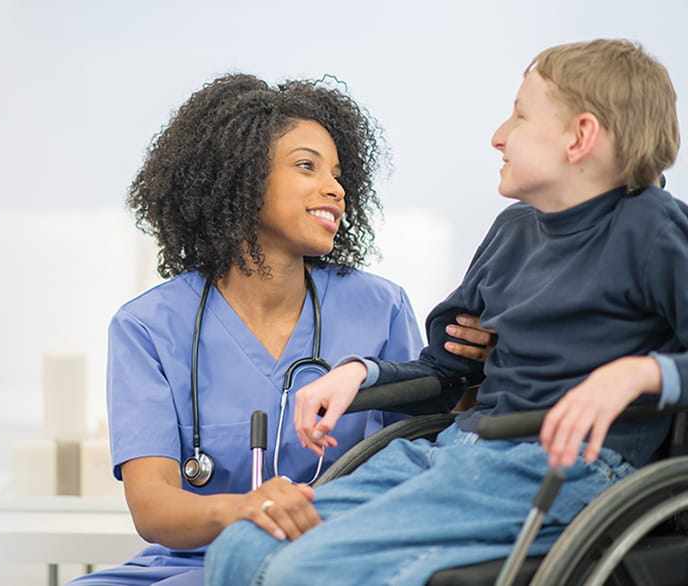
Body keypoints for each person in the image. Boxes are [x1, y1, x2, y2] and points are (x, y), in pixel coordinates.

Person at [203, 39, 684, 585]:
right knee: (242, 544)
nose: (498, 136)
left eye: (521, 116)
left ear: (580, 137)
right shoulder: (513, 231)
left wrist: (646, 372)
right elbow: (447, 370)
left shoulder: (652, 229)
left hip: (557, 468)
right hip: (460, 451)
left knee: (309, 570)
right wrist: (361, 372)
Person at [71, 74, 497, 586]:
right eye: (306, 166)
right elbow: (153, 508)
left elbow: (425, 446)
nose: (335, 188)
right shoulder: (147, 327)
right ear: (241, 179)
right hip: (190, 564)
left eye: (338, 174)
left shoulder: (378, 306)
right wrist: (246, 509)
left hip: (328, 560)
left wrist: (483, 370)